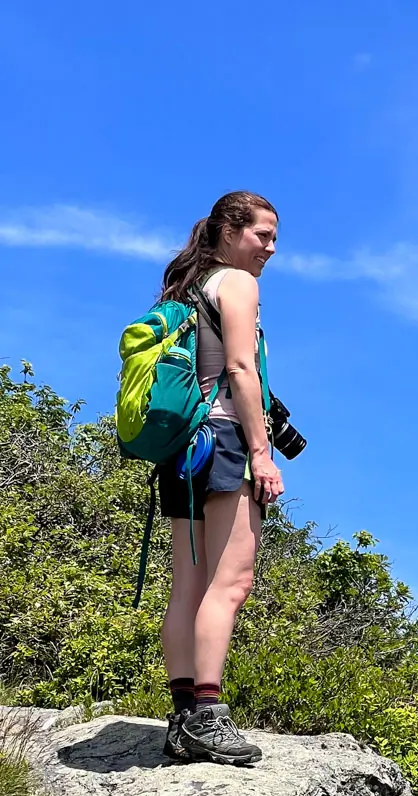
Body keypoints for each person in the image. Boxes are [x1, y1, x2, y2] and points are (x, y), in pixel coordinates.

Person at [156, 191, 284, 766]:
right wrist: (262, 453)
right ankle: (208, 716)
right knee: (230, 583)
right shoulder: (235, 284)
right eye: (263, 235)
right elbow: (239, 368)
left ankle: (183, 716)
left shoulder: (188, 284)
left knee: (190, 580)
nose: (271, 249)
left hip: (184, 447)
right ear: (231, 231)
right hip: (226, 439)